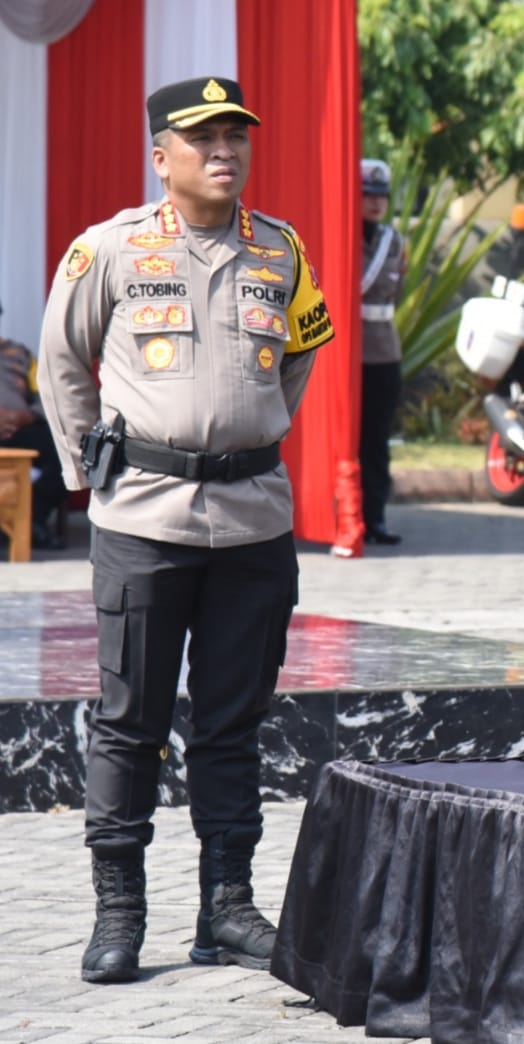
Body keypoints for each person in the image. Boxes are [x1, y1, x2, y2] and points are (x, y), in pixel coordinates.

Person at [37, 76, 333, 984]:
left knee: (233, 726)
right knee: (131, 724)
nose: (224, 151)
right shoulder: (114, 250)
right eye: (202, 137)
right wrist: (93, 476)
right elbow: (61, 359)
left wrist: (244, 438)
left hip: (251, 525)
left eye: (236, 135)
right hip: (145, 523)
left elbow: (298, 358)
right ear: (160, 156)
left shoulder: (279, 252)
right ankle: (118, 912)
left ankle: (227, 908)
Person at [357, 158, 407, 546]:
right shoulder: (342, 235)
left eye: (380, 196)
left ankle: (376, 518)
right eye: (367, 195)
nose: (375, 203)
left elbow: (399, 292)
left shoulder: (396, 242)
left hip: (383, 351)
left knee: (376, 441)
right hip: (348, 352)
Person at [0, 302, 67, 550]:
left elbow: (47, 398)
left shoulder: (20, 355)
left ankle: (30, 519)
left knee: (66, 449)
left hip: (18, 431)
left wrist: (24, 417)